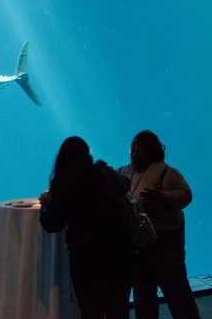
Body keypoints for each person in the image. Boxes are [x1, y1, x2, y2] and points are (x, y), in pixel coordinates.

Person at [39, 136, 133, 319]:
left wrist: (46, 203)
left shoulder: (63, 184)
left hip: (86, 258)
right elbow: (126, 187)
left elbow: (51, 224)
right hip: (118, 252)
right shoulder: (105, 173)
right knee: (119, 310)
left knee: (91, 311)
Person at [117, 130, 199, 319]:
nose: (134, 154)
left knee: (177, 294)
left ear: (152, 151)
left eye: (140, 150)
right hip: (139, 248)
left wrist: (162, 197)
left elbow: (186, 195)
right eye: (132, 149)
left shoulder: (166, 172)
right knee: (143, 297)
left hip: (166, 247)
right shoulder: (123, 172)